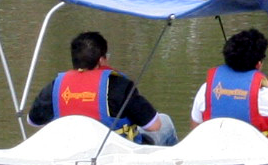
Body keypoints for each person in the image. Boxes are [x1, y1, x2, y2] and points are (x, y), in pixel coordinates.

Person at [29, 30, 175, 145]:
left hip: (71, 153)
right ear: (101, 60)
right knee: (165, 121)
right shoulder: (118, 85)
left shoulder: (56, 85)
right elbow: (153, 126)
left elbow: (33, 121)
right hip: (118, 155)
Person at [191, 27, 268, 133]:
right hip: (260, 157)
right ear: (259, 64)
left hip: (218, 155)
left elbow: (195, 130)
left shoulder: (206, 89)